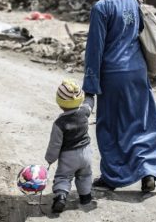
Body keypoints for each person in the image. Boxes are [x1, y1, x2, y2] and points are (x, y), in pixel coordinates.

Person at [83, 0, 156, 193]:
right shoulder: (133, 0)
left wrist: (90, 86)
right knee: (142, 123)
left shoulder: (101, 7)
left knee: (110, 126)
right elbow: (138, 31)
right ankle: (148, 170)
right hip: (137, 72)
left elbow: (94, 50)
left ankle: (113, 176)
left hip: (113, 74)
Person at [45, 79, 94, 213]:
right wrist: (90, 95)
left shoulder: (59, 123)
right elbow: (89, 104)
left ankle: (61, 196)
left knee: (63, 177)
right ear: (80, 99)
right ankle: (85, 197)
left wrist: (50, 159)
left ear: (60, 103)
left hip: (68, 157)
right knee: (85, 175)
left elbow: (55, 145)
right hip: (86, 153)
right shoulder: (84, 111)